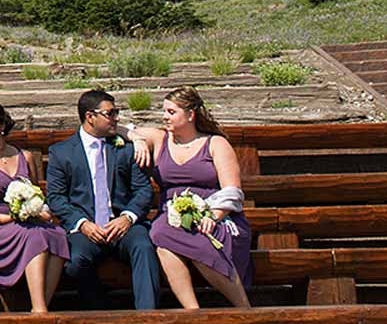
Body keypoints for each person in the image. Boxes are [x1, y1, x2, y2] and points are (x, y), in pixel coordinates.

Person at [130, 86, 253, 309]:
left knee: (190, 238)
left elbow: (232, 190)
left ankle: (243, 306)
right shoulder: (160, 139)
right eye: (164, 111)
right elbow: (123, 128)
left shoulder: (215, 143)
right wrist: (137, 140)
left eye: (171, 112)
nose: (164, 116)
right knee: (161, 236)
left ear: (190, 114)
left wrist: (213, 216)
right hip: (172, 216)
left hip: (216, 214)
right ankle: (192, 311)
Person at [46, 88, 159, 310]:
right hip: (86, 227)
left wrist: (127, 217)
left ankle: (149, 318)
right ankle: (101, 312)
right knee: (75, 261)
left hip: (123, 224)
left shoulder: (125, 149)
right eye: (111, 113)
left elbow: (143, 190)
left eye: (117, 112)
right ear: (90, 117)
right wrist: (82, 224)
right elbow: (56, 197)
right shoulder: (62, 152)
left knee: (144, 247)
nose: (116, 118)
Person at [0, 99, 68, 312]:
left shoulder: (25, 156)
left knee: (57, 234)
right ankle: (40, 308)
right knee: (36, 236)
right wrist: (7, 217)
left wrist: (41, 211)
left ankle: (39, 306)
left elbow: (37, 195)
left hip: (27, 221)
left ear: (2, 124)